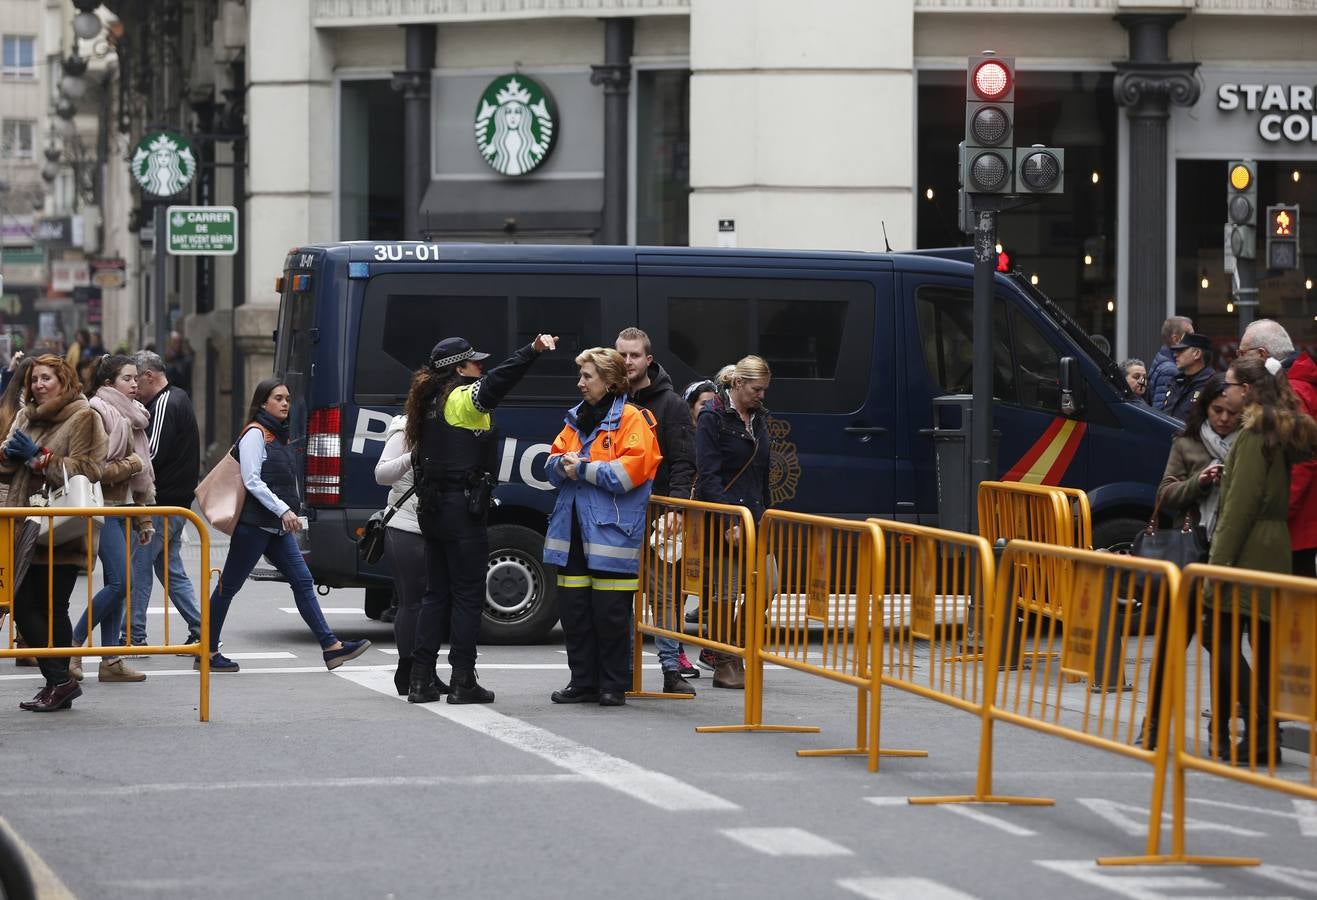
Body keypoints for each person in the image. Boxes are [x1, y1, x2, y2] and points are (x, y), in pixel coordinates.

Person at [406, 334, 558, 704]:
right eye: (473, 362)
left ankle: (421, 679)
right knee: (468, 596)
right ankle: (462, 681)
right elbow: (496, 383)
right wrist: (532, 351)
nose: (480, 367)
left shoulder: (426, 403)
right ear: (458, 368)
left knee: (435, 595)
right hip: (461, 512)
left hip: (433, 510)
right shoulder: (460, 399)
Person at [204, 378, 371, 672]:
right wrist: (283, 510)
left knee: (303, 582)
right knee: (228, 587)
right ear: (262, 403)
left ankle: (331, 647)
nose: (284, 403)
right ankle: (206, 651)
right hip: (255, 526)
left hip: (274, 528)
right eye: (278, 398)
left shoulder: (276, 435)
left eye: (287, 399)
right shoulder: (255, 434)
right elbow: (252, 480)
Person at [1208, 355, 1317, 766]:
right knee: (1262, 641)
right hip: (1273, 546)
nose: (1226, 390)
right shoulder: (1275, 430)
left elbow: (1239, 506)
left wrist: (1215, 566)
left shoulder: (1255, 434)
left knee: (1217, 636)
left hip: (1251, 546)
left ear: (1248, 391)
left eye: (1232, 384)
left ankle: (1260, 728)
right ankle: (1263, 733)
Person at [545, 347, 661, 707]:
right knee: (575, 612)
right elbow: (551, 463)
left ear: (609, 382)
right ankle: (583, 682)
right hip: (573, 533)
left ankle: (613, 684)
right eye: (581, 376)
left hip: (612, 534)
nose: (580, 383)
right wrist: (562, 465)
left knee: (610, 615)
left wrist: (579, 467)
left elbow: (630, 472)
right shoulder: (576, 419)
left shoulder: (632, 419)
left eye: (587, 377)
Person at [1139, 375, 1247, 751]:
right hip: (1189, 555)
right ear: (1206, 409)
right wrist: (1199, 482)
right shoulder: (1186, 442)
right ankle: (1151, 727)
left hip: (1228, 557)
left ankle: (1221, 732)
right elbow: (1165, 495)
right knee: (1172, 641)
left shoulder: (1249, 444)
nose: (1224, 419)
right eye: (1217, 411)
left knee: (1223, 646)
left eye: (1232, 413)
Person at [1, 354, 108, 712]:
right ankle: (58, 682)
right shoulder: (26, 416)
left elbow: (90, 469)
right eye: (33, 379)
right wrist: (10, 454)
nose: (38, 385)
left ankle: (59, 682)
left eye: (46, 378)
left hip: (61, 530)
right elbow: (7, 464)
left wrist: (41, 458)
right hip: (26, 527)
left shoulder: (84, 415)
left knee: (51, 608)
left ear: (64, 380)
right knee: (22, 605)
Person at [615, 327, 697, 695]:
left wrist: (676, 511)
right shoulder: (610, 399)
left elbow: (683, 462)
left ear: (648, 360)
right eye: (622, 355)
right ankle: (624, 669)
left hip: (661, 512)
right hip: (618, 513)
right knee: (620, 593)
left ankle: (670, 671)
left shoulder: (672, 405)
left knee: (665, 595)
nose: (627, 362)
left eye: (634, 355)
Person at [69, 355, 156, 684]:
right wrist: (131, 464)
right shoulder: (96, 411)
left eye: (137, 378)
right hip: (99, 508)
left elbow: (142, 477)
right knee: (122, 582)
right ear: (108, 384)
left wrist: (143, 518)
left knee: (116, 586)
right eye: (127, 378)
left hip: (121, 509)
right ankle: (74, 645)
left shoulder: (132, 417)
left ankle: (110, 660)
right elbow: (95, 468)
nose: (135, 384)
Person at [695, 356, 774, 690]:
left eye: (765, 390)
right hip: (724, 518)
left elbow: (762, 473)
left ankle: (727, 648)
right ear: (738, 384)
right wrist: (729, 519)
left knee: (768, 584)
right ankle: (727, 662)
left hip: (755, 516)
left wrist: (764, 516)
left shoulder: (759, 418)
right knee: (725, 592)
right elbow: (709, 475)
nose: (762, 396)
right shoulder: (712, 417)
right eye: (757, 389)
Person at [124, 351, 203, 648]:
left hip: (163, 503)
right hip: (173, 503)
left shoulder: (167, 401)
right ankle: (202, 629)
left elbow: (151, 455)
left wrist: (120, 467)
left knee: (140, 566)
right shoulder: (175, 398)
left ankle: (133, 635)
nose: (134, 387)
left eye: (135, 379)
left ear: (149, 376)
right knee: (168, 568)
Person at [374, 414, 446, 696]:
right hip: (405, 524)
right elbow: (381, 474)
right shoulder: (406, 428)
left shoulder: (452, 426)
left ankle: (426, 669)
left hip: (437, 527)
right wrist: (413, 457)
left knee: (435, 602)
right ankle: (408, 671)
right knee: (412, 602)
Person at [1239, 320, 1317, 578]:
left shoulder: (1291, 391)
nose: (1238, 362)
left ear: (1262, 354)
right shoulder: (1300, 384)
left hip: (1295, 527)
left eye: (1242, 354)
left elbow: (1303, 461)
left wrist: (1277, 511)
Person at [682, 378, 720, 671]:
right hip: (686, 522)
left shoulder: (721, 434)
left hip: (713, 524)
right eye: (702, 404)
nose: (708, 409)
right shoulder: (682, 436)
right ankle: (676, 650)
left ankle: (713, 648)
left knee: (718, 587)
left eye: (713, 404)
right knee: (679, 589)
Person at [1162, 332, 1214, 421]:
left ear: (1197, 353)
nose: (1175, 354)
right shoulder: (1176, 382)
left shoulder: (1211, 386)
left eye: (1181, 350)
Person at [1148, 316, 1193, 409]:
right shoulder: (1171, 370)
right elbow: (1161, 413)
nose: (1195, 340)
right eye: (1191, 336)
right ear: (1176, 339)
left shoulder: (1163, 358)